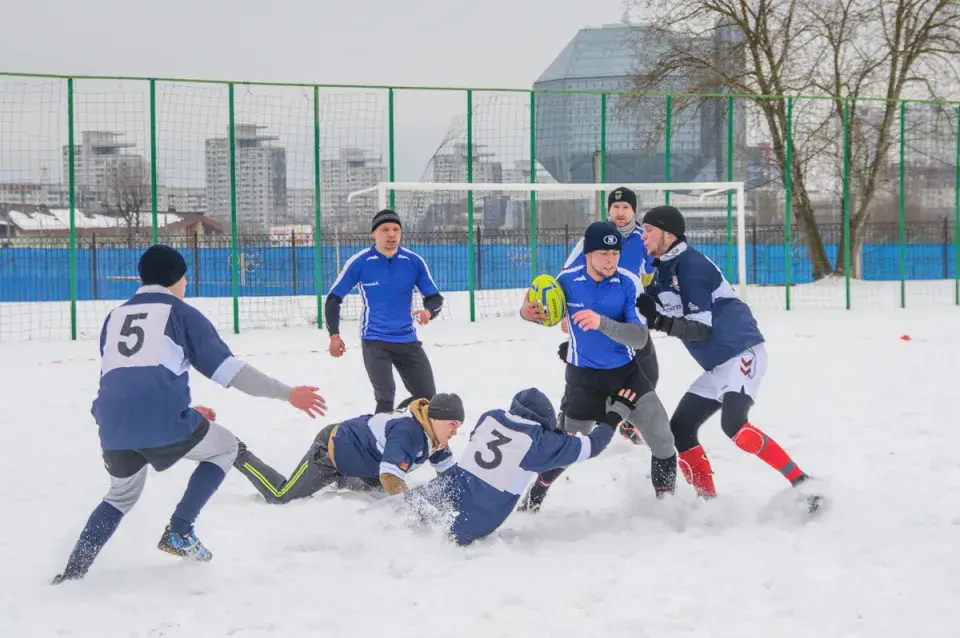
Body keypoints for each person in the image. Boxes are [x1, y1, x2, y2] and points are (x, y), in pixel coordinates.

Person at [52, 245, 327, 584]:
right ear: (176, 279)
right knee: (226, 447)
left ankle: (72, 573)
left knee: (120, 496)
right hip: (160, 419)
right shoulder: (182, 314)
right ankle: (180, 531)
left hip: (111, 424)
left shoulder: (116, 317)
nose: (187, 285)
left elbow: (129, 377)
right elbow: (231, 372)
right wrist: (288, 394)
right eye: (185, 279)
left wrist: (181, 411)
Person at [635, 205, 821, 511]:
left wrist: (658, 321)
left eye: (649, 230)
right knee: (679, 429)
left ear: (668, 235)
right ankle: (707, 501)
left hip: (742, 353)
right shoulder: (662, 271)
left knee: (735, 427)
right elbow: (645, 312)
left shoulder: (690, 265)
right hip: (717, 366)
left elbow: (699, 329)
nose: (644, 235)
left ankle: (804, 483)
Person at [516, 221, 677, 512]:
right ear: (588, 254)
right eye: (603, 253)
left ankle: (666, 507)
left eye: (614, 253)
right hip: (583, 381)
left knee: (664, 439)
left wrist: (601, 322)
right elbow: (538, 308)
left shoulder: (628, 283)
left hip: (626, 376)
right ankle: (531, 503)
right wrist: (527, 313)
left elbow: (640, 338)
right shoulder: (566, 281)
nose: (610, 259)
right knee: (564, 451)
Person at [401, 387, 634, 545]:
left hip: (444, 489)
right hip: (470, 519)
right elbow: (594, 445)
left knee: (394, 518)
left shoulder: (489, 416)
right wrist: (615, 414)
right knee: (430, 539)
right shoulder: (539, 443)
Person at [559, 186, 659, 445]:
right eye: (616, 207)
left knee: (649, 372)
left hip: (628, 317)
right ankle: (568, 422)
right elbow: (568, 274)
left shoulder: (643, 239)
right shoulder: (591, 240)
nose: (620, 212)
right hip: (591, 318)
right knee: (582, 374)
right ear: (608, 211)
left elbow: (650, 273)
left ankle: (626, 421)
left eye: (626, 207)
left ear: (634, 211)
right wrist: (563, 314)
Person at [234, 393, 464, 502]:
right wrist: (416, 506)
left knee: (377, 497)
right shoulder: (407, 432)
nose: (455, 431)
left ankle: (346, 478)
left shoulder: (437, 439)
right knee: (281, 497)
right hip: (330, 453)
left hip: (361, 459)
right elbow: (390, 478)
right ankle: (236, 452)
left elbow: (452, 476)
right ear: (434, 418)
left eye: (459, 426)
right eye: (452, 424)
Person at [325, 208, 443, 414]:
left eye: (396, 229)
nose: (391, 234)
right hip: (375, 340)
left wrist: (428, 312)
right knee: (385, 396)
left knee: (427, 397)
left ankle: (397, 422)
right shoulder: (360, 262)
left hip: (407, 339)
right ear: (374, 233)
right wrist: (334, 336)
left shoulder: (413, 261)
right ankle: (381, 436)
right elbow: (333, 299)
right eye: (385, 229)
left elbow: (435, 298)